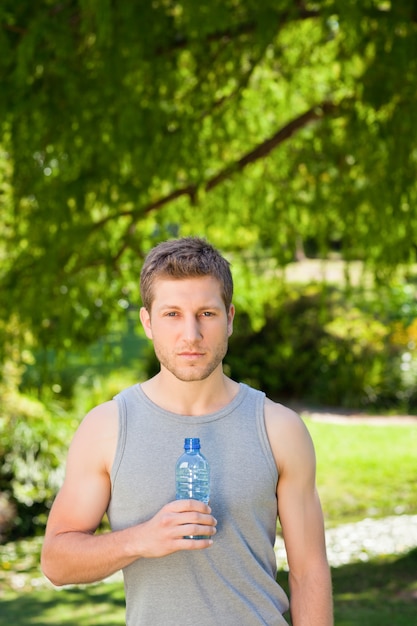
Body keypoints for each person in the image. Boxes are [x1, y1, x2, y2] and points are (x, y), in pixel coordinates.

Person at [41, 236, 333, 626]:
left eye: (207, 314)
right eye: (172, 314)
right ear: (148, 322)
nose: (191, 335)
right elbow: (56, 561)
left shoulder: (279, 428)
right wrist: (141, 540)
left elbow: (309, 571)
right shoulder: (107, 427)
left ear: (229, 318)